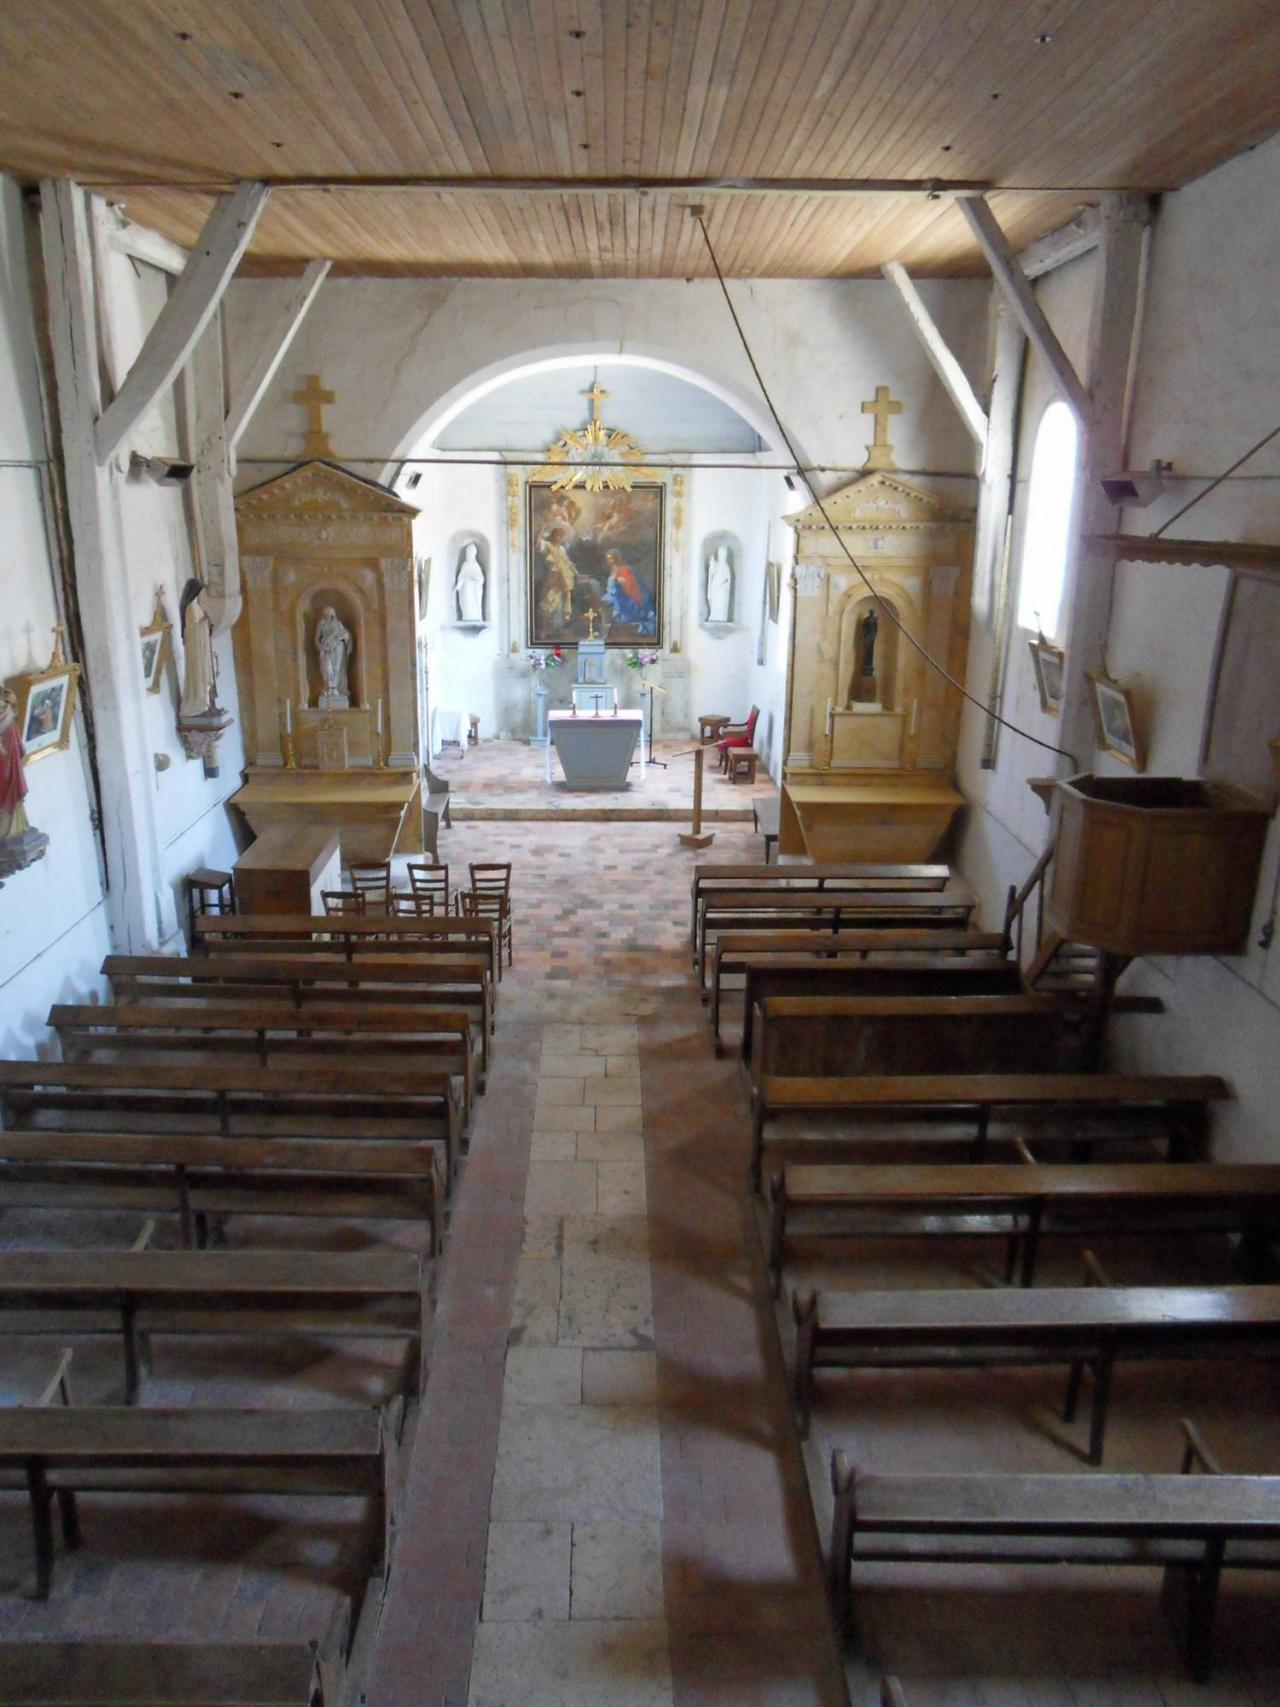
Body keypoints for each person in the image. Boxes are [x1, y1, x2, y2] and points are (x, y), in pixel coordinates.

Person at [179, 578, 215, 718]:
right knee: (198, 676)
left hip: (199, 647)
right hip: (196, 649)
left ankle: (204, 705)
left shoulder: (194, 605)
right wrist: (205, 621)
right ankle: (197, 705)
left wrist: (205, 622)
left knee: (201, 677)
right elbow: (193, 629)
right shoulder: (190, 607)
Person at [0, 687, 31, 842]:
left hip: (10, 745)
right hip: (2, 751)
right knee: (3, 783)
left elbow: (14, 715)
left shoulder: (2, 691)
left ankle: (16, 826)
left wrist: (14, 703)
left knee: (13, 780)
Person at [603, 549, 656, 632]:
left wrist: (618, 582)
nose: (610, 561)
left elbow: (629, 587)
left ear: (617, 558)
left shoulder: (625, 569)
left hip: (627, 602)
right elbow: (611, 591)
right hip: (617, 600)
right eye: (608, 558)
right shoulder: (612, 571)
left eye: (612, 558)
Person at [538, 526, 577, 627]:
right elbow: (537, 544)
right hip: (551, 576)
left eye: (561, 536)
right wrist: (540, 530)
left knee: (559, 601)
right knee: (549, 599)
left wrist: (576, 573)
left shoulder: (562, 549)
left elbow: (567, 562)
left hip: (562, 578)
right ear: (553, 535)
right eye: (558, 535)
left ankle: (557, 625)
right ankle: (546, 625)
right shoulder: (547, 545)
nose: (559, 538)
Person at [316, 604, 353, 706]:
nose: (328, 615)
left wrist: (340, 637)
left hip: (337, 648)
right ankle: (327, 687)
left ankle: (334, 688)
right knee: (327, 668)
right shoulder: (321, 624)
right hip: (326, 648)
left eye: (329, 614)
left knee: (336, 668)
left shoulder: (338, 623)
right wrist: (321, 647)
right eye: (326, 613)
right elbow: (316, 639)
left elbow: (345, 634)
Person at [456, 542, 485, 622]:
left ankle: (475, 616)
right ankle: (466, 616)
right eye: (467, 554)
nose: (468, 555)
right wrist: (460, 582)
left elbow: (481, 579)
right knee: (466, 602)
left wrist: (473, 579)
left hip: (474, 592)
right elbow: (461, 576)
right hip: (465, 591)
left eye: (470, 554)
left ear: (473, 555)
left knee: (472, 604)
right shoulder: (465, 565)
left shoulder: (476, 566)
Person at [706, 545, 732, 622]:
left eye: (723, 554)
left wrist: (722, 583)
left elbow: (728, 580)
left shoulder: (726, 567)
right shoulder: (716, 565)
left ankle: (721, 617)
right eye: (721, 553)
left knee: (721, 604)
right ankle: (714, 615)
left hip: (722, 591)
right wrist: (711, 565)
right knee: (715, 604)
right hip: (715, 589)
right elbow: (712, 572)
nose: (722, 555)